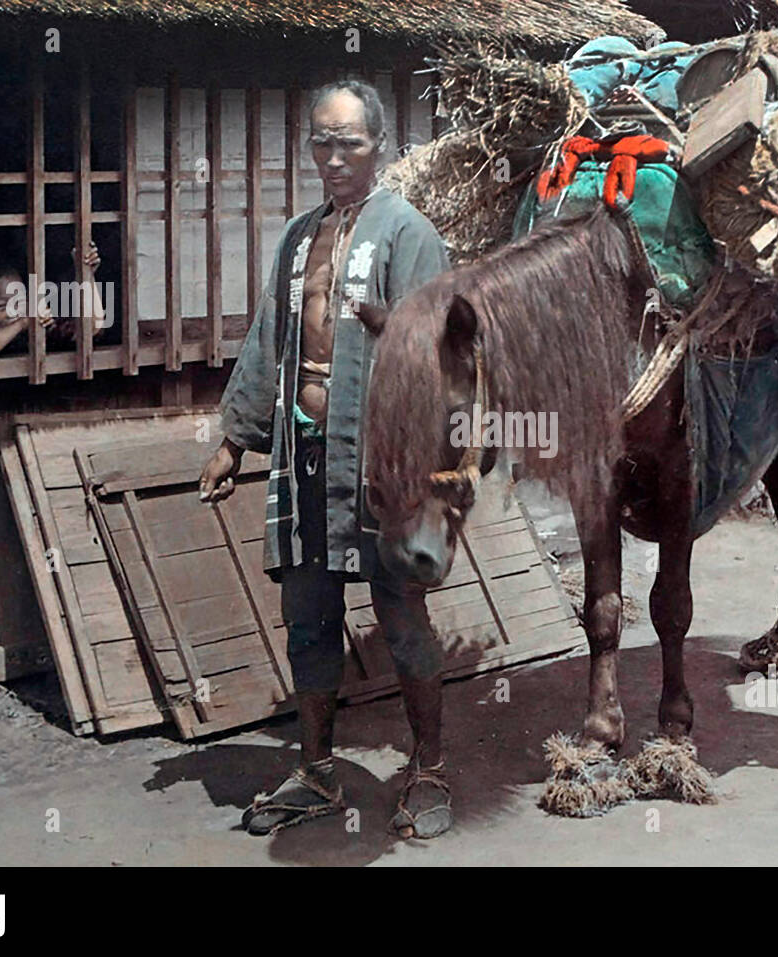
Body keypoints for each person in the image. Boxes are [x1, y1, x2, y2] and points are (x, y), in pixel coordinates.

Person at [198, 80, 454, 840]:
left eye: (351, 142)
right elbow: (269, 340)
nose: (334, 157)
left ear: (380, 148)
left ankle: (429, 769)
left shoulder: (408, 234)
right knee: (307, 616)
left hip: (382, 464)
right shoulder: (299, 237)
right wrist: (233, 439)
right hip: (303, 454)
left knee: (401, 613)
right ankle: (315, 772)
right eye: (322, 141)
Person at [0, 243, 106, 359]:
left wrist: (86, 276)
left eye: (20, 303)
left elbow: (90, 329)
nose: (15, 311)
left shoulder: (36, 330)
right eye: (2, 306)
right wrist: (23, 323)